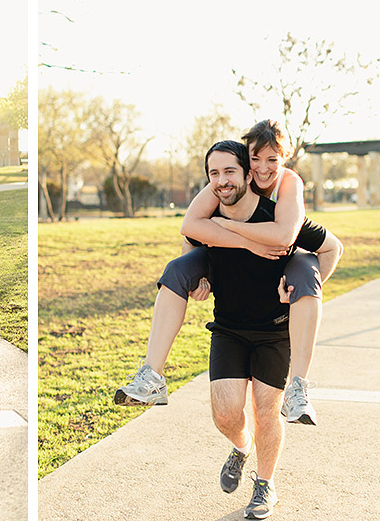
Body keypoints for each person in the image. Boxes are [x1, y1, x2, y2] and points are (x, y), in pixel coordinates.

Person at [154, 141, 342, 518]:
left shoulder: (280, 219)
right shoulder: (207, 221)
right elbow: (192, 243)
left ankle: (265, 485)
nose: (222, 181)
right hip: (228, 328)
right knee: (225, 413)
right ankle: (241, 447)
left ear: (245, 175)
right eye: (214, 174)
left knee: (266, 410)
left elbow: (332, 248)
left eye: (230, 172)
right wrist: (202, 278)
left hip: (274, 331)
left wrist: (305, 286)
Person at [116, 120, 335, 426]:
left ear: (283, 159)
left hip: (284, 255)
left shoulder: (288, 184)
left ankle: (298, 387)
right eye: (255, 158)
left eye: (272, 160)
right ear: (246, 160)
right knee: (177, 270)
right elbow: (190, 228)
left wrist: (297, 297)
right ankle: (152, 375)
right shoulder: (225, 181)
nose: (262, 168)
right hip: (230, 290)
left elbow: (290, 237)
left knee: (305, 269)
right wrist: (202, 274)